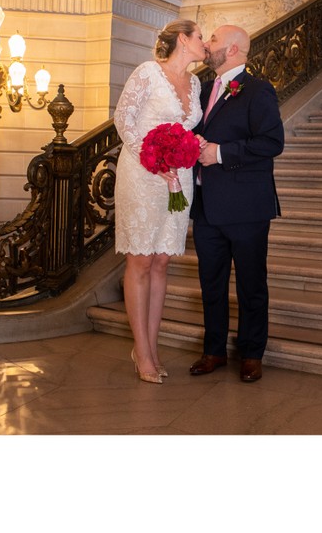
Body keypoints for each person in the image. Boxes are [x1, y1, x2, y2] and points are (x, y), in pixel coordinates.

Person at [189, 24, 284, 382]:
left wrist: (222, 153)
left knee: (250, 283)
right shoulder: (201, 91)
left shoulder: (258, 90)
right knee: (210, 283)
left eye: (213, 39)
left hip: (246, 207)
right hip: (207, 206)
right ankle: (213, 349)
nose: (207, 44)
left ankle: (251, 352)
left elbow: (272, 142)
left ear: (231, 49)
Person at [113, 19, 206, 384]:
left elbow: (188, 128)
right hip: (143, 172)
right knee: (141, 258)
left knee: (163, 260)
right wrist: (154, 159)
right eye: (200, 36)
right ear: (183, 40)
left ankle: (149, 347)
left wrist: (190, 149)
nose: (204, 43)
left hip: (179, 178)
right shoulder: (148, 73)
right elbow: (124, 120)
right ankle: (143, 354)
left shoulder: (196, 82)